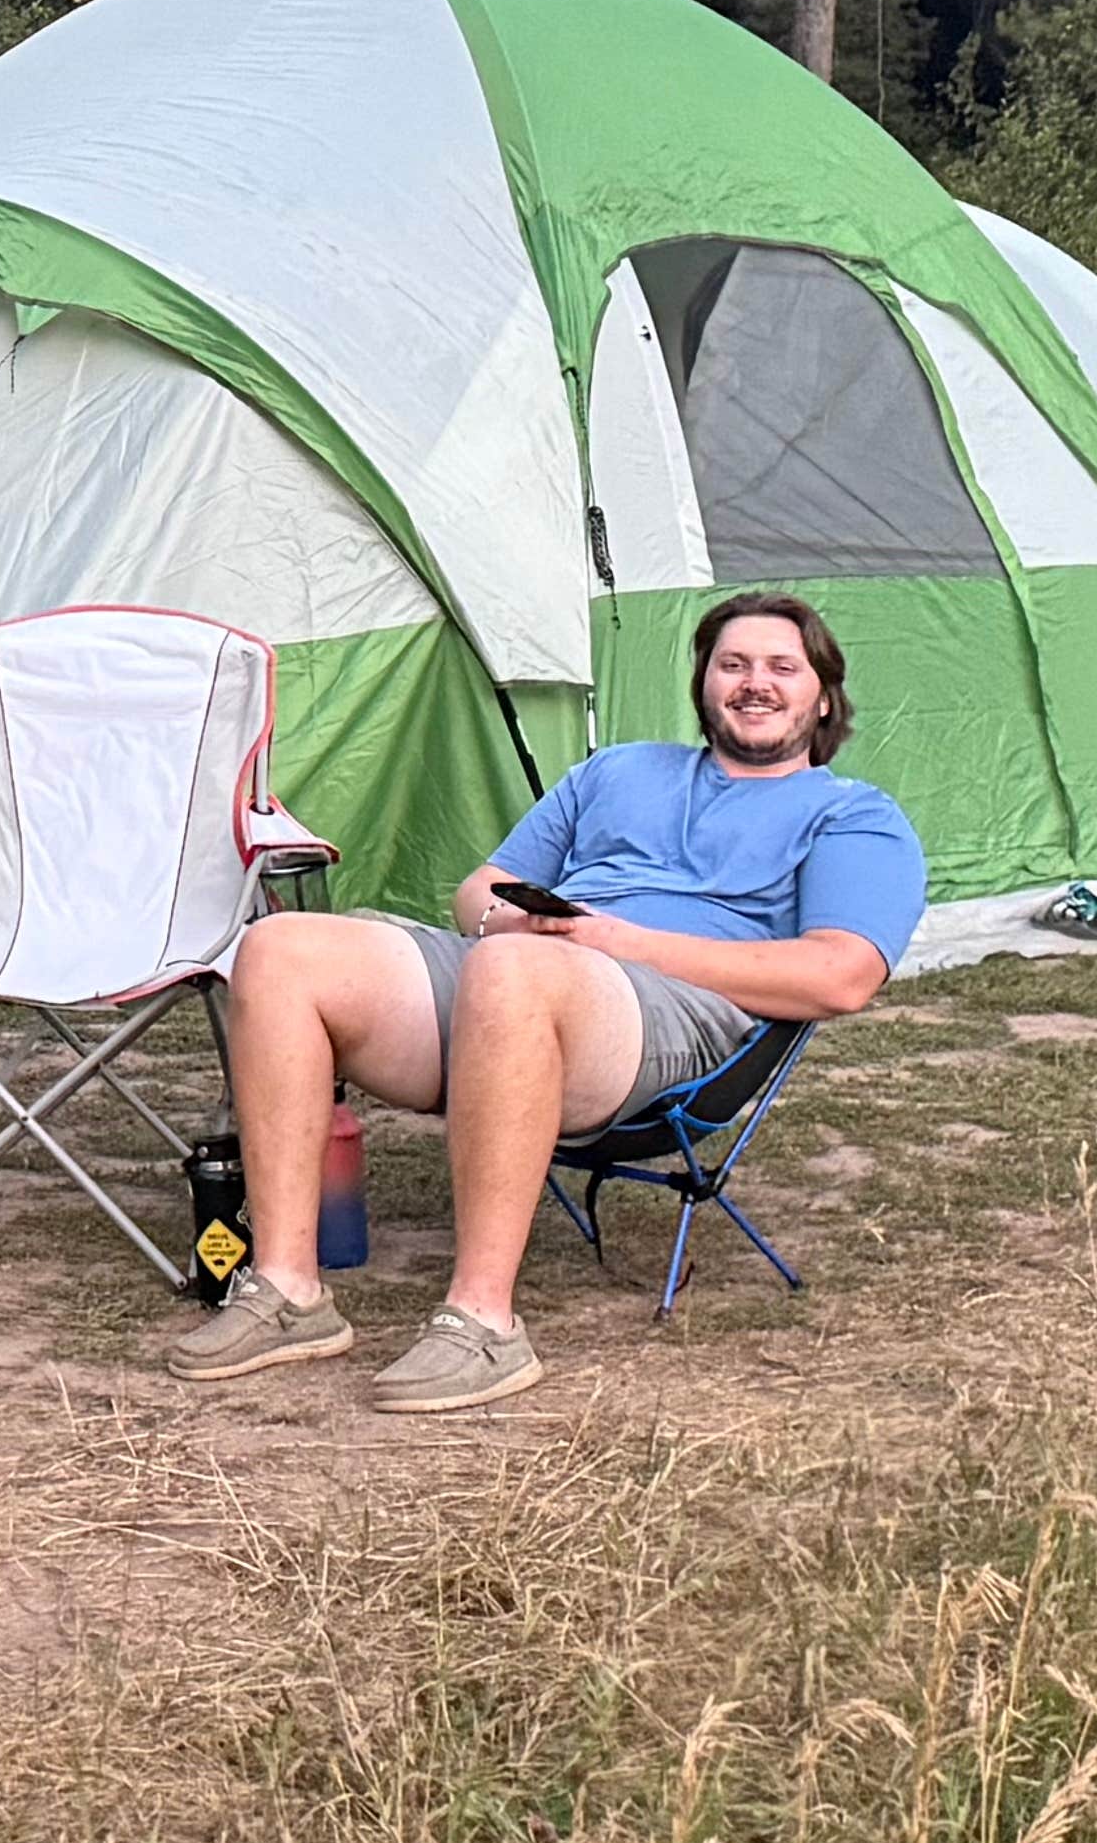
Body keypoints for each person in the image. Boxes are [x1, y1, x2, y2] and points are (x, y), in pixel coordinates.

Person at [168, 591, 922, 1415]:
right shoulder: (619, 770)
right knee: (282, 949)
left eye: (783, 668)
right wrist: (514, 918)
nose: (754, 684)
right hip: (532, 969)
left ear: (822, 694)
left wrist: (616, 942)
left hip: (671, 1011)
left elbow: (841, 975)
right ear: (704, 681)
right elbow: (477, 892)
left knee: (512, 974)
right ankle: (286, 1291)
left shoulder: (853, 816)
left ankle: (484, 1323)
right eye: (732, 664)